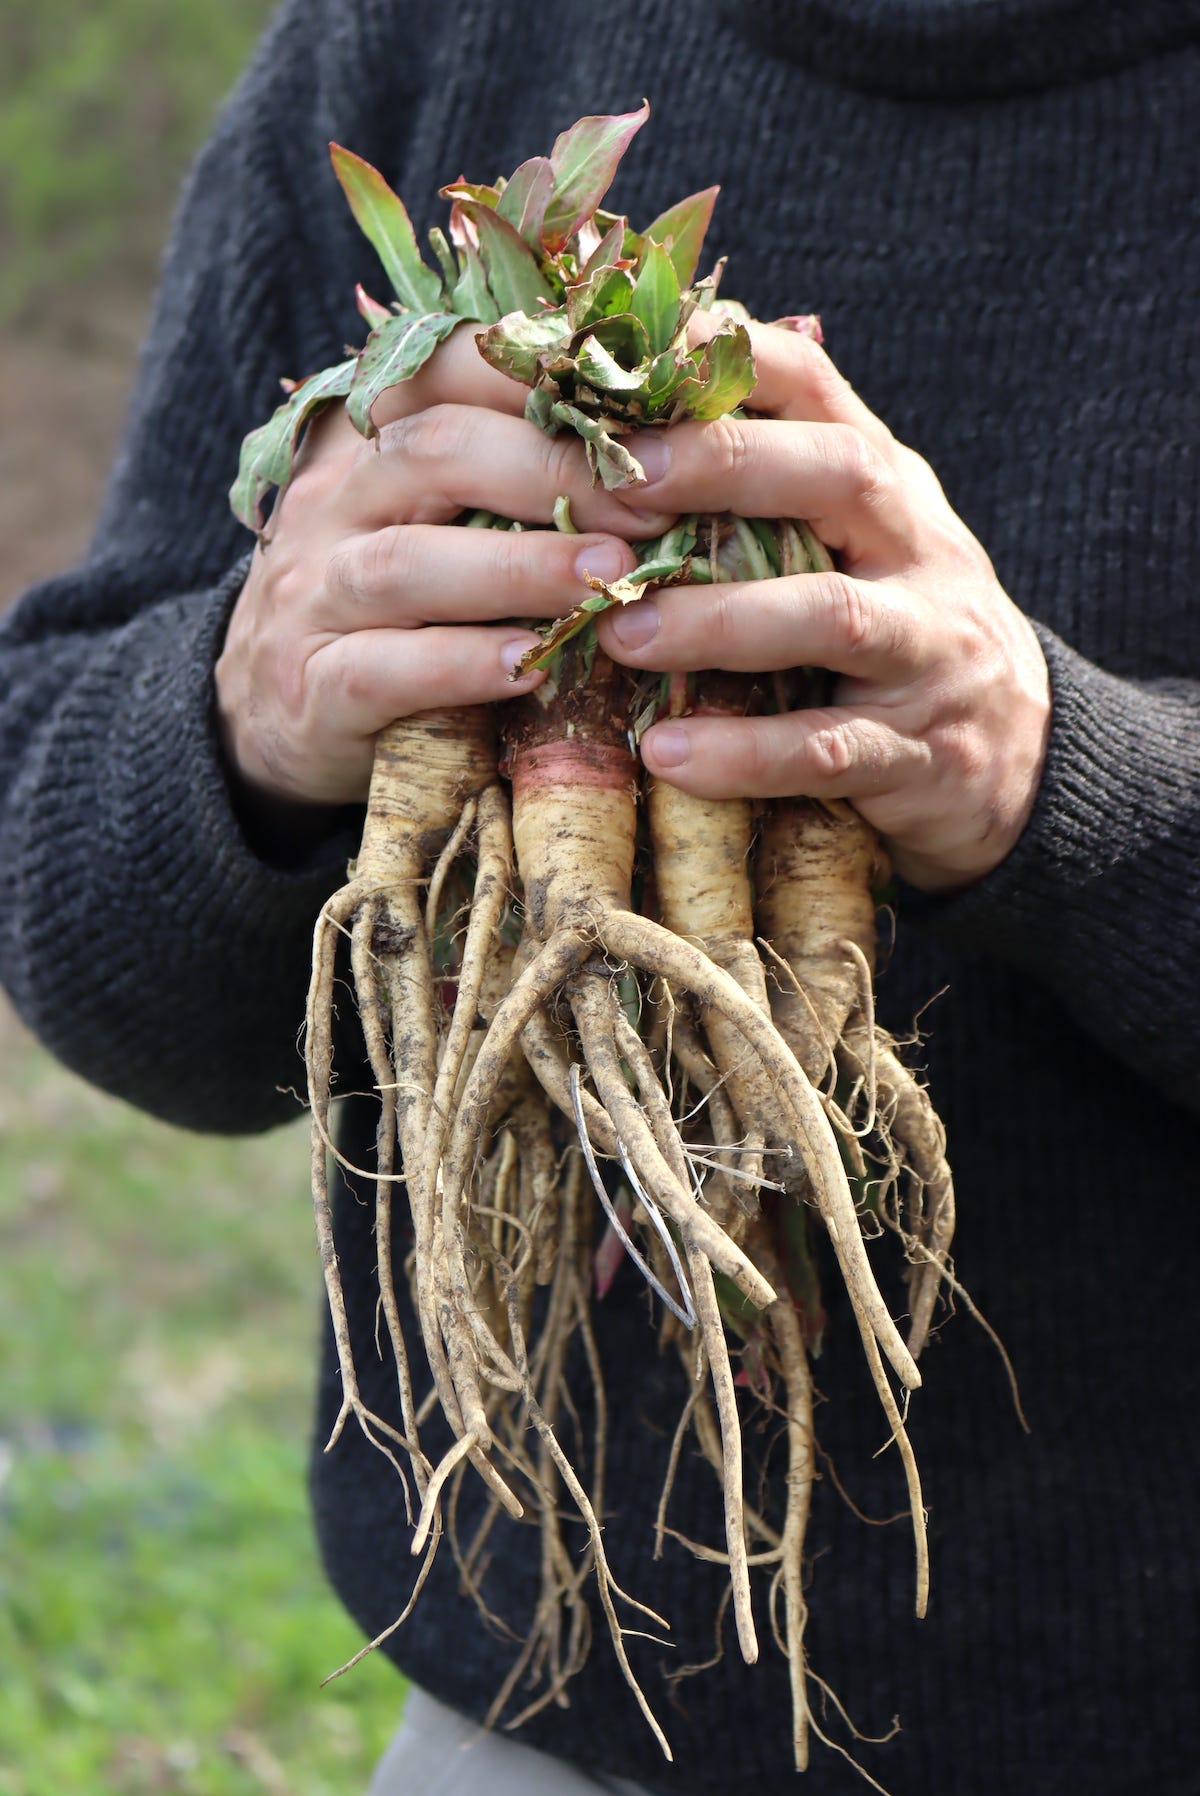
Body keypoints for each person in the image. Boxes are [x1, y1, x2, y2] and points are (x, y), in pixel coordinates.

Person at [2, 1, 1198, 1791]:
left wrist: (1064, 782)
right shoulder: (406, 37)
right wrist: (246, 727)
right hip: (527, 1720)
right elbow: (90, 950)